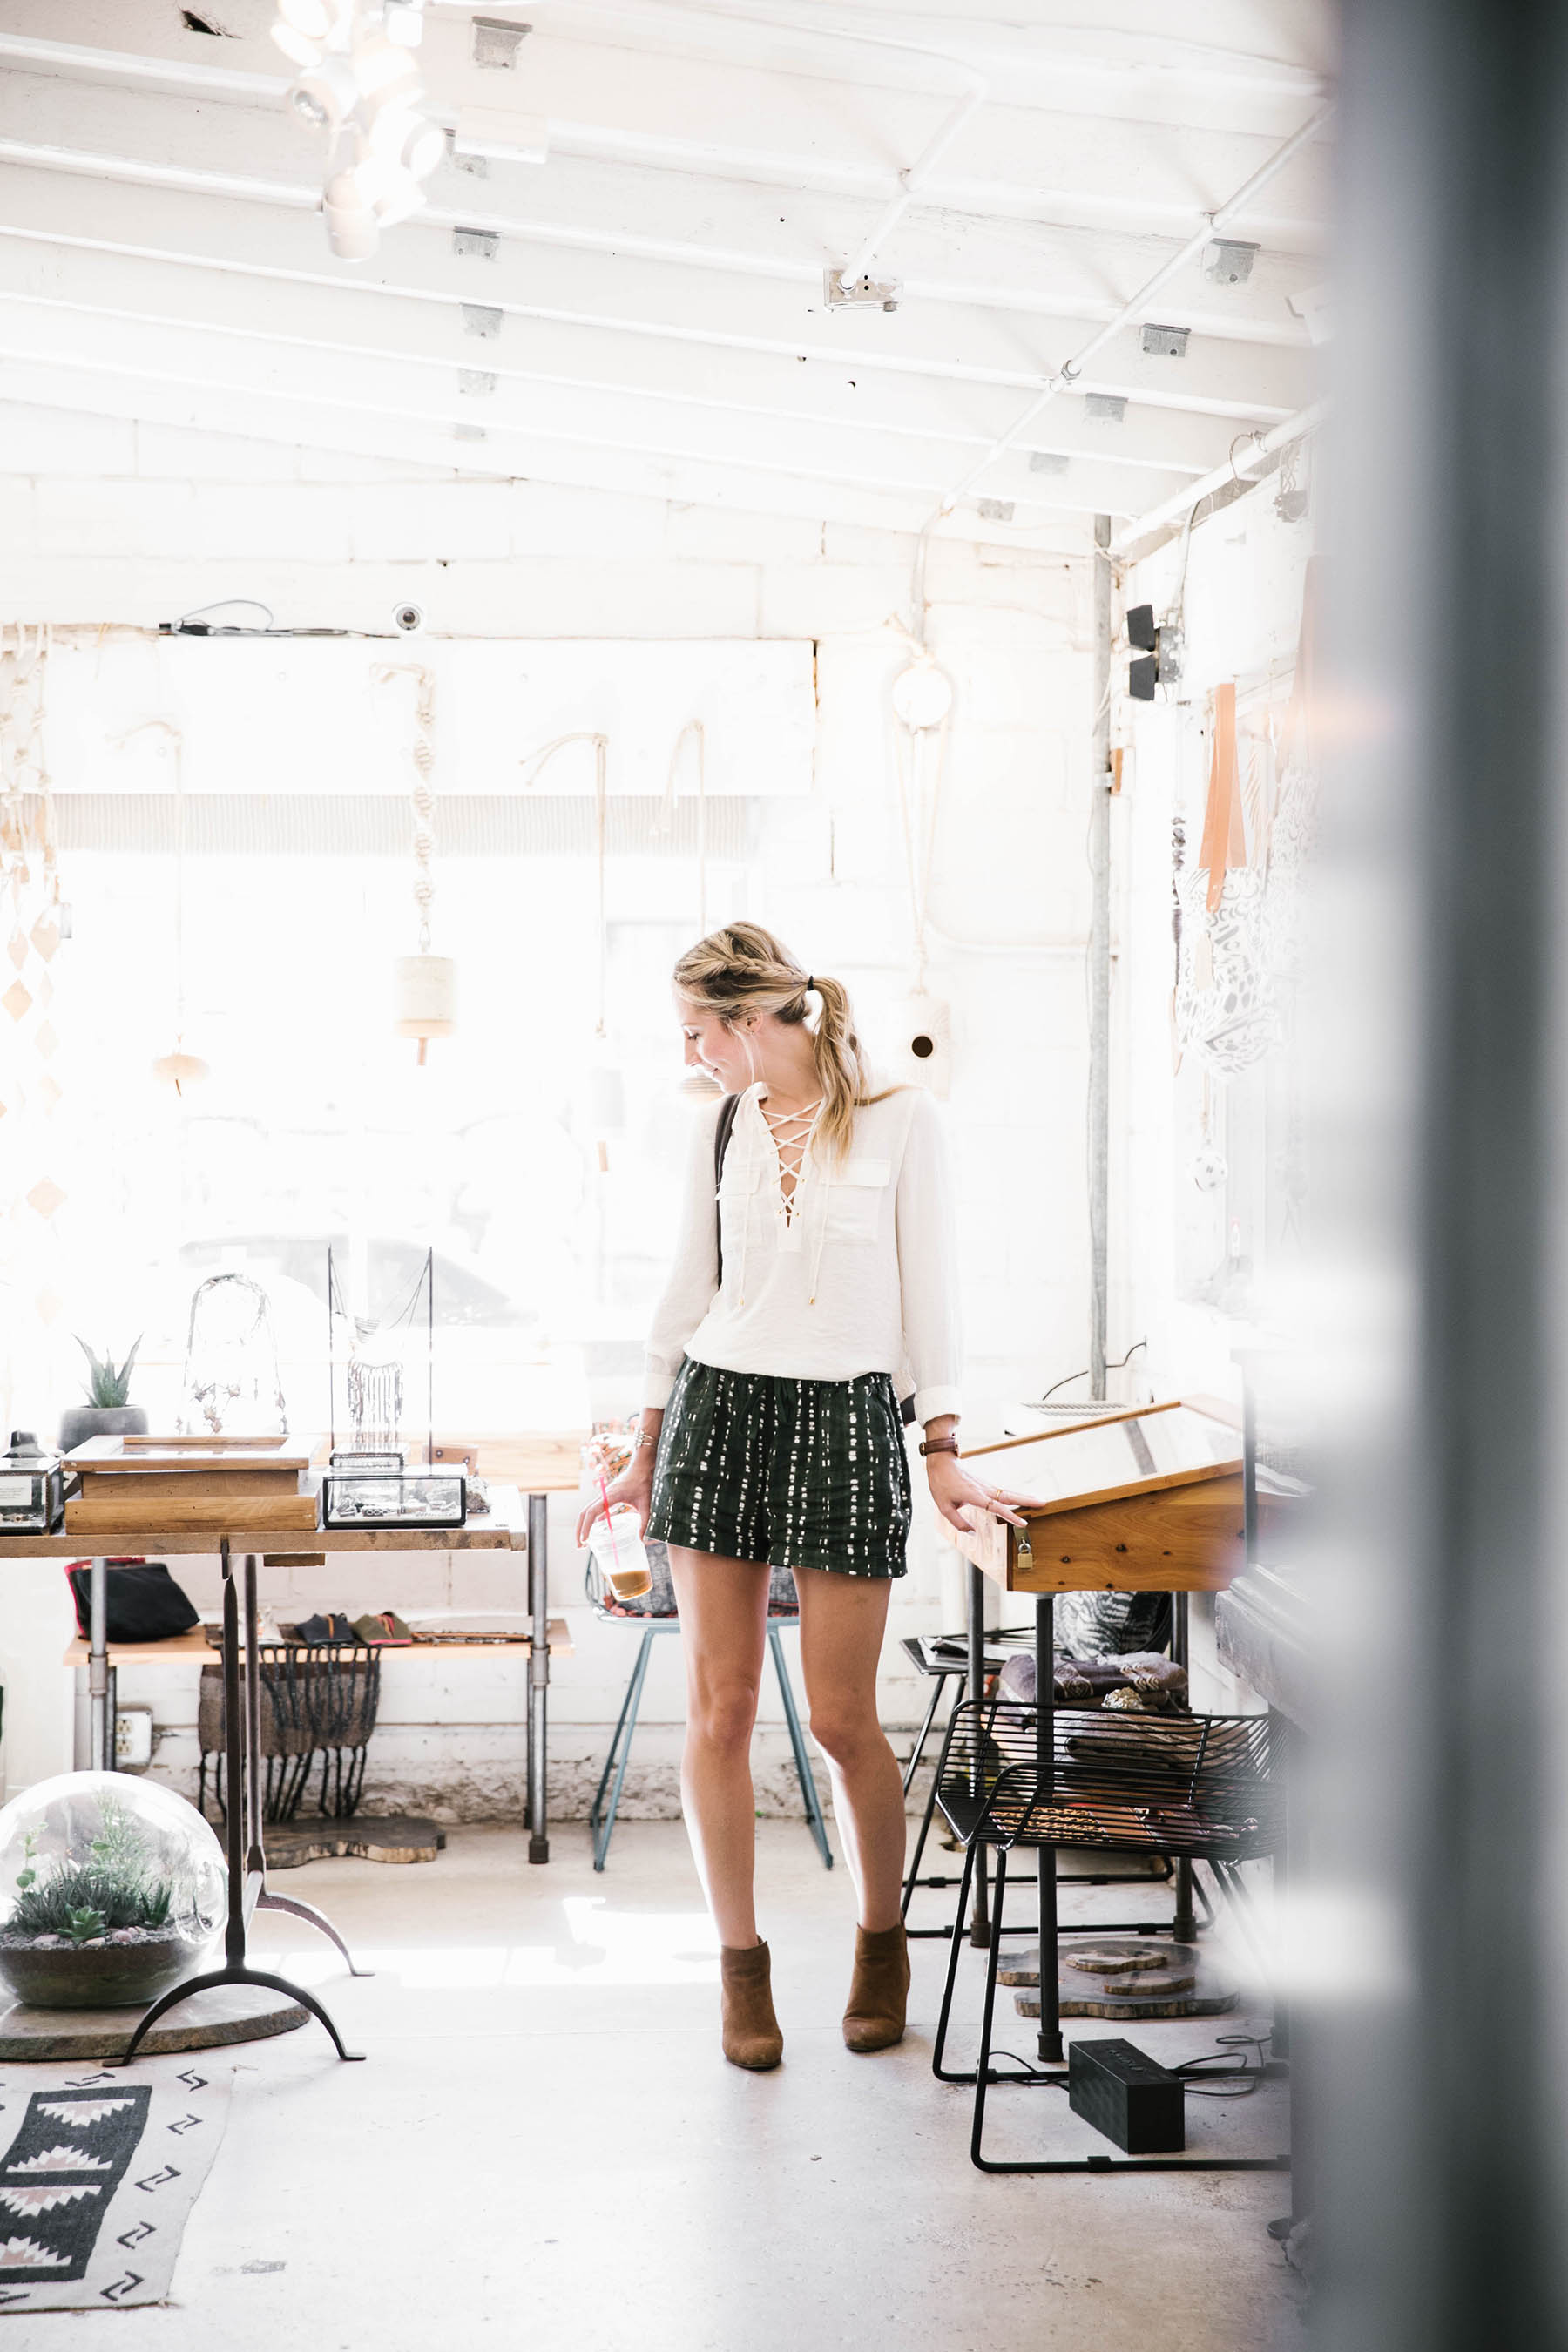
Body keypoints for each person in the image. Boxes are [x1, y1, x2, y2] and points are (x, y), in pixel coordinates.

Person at [578, 923, 1030, 2071]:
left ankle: (883, 1942)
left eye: (698, 1033)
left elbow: (931, 1296)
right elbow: (685, 1290)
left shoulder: (900, 1117)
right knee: (720, 1712)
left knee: (841, 1720)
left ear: (748, 1022)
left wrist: (944, 1447)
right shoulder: (717, 1124)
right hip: (719, 1413)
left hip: (845, 1417)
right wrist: (641, 1442)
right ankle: (743, 1970)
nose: (694, 1055)